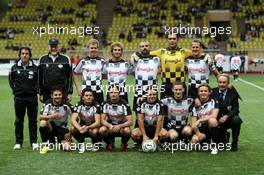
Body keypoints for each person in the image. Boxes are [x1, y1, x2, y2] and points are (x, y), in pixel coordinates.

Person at [9, 47, 38, 150]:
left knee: (33, 121)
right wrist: (17, 91)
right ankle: (18, 142)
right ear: (20, 55)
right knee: (18, 121)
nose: (24, 55)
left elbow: (38, 82)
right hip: (19, 98)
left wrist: (34, 91)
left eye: (26, 53)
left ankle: (33, 142)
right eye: (22, 53)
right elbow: (11, 81)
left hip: (32, 98)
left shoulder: (35, 68)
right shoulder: (14, 68)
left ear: (30, 55)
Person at [150, 33, 192, 98]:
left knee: (181, 106)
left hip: (180, 85)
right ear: (167, 40)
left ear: (178, 40)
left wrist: (205, 56)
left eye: (174, 39)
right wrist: (136, 54)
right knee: (164, 106)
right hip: (166, 85)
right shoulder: (161, 52)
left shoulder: (184, 52)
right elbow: (146, 53)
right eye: (170, 39)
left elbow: (196, 53)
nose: (172, 40)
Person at [211, 74, 243, 151]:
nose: (222, 84)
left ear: (228, 83)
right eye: (220, 82)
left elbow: (236, 110)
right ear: (217, 82)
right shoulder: (212, 92)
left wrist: (226, 116)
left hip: (228, 120)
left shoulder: (233, 94)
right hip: (216, 120)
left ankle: (235, 143)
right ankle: (225, 135)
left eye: (224, 82)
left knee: (237, 119)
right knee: (221, 145)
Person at [99, 85, 133, 152]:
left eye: (115, 92)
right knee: (101, 130)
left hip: (121, 126)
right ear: (109, 93)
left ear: (119, 93)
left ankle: (124, 144)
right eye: (111, 92)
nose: (113, 94)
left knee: (127, 131)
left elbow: (130, 121)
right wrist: (110, 126)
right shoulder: (105, 104)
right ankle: (109, 143)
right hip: (110, 126)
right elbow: (102, 120)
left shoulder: (125, 104)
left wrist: (120, 126)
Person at [38, 38, 73, 103]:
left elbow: (70, 77)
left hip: (62, 93)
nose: (53, 48)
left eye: (55, 46)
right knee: (47, 112)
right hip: (47, 93)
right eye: (52, 46)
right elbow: (39, 78)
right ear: (48, 47)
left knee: (62, 112)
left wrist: (70, 92)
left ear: (59, 47)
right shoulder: (42, 59)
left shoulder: (66, 59)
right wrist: (41, 93)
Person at [39, 87, 72, 153]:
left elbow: (75, 118)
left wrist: (70, 132)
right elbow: (40, 117)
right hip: (50, 127)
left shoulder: (66, 105)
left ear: (62, 95)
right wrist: (52, 116)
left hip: (62, 128)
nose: (58, 96)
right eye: (56, 95)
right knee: (43, 123)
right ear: (52, 96)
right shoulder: (47, 104)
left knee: (68, 148)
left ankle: (60, 141)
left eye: (59, 95)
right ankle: (46, 143)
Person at [73, 39, 105, 104]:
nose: (93, 49)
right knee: (84, 112)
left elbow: (105, 74)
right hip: (86, 91)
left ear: (98, 49)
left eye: (95, 48)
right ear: (88, 49)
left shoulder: (102, 61)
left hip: (98, 90)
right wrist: (78, 88)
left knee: (99, 112)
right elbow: (74, 73)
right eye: (91, 48)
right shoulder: (83, 61)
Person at [191, 84, 219, 154]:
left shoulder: (214, 102)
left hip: (210, 127)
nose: (203, 92)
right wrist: (198, 133)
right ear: (198, 93)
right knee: (194, 140)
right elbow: (193, 124)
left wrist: (200, 120)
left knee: (212, 121)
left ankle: (214, 145)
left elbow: (214, 116)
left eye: (205, 91)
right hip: (200, 129)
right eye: (201, 91)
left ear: (209, 92)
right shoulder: (194, 105)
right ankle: (204, 141)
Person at [71, 88, 101, 153]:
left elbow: (98, 123)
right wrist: (79, 128)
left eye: (90, 95)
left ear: (93, 97)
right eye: (86, 96)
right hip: (82, 126)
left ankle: (95, 143)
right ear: (83, 97)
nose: (88, 97)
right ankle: (81, 143)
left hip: (92, 127)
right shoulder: (79, 104)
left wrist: (88, 127)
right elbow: (73, 120)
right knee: (73, 129)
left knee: (94, 131)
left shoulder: (96, 105)